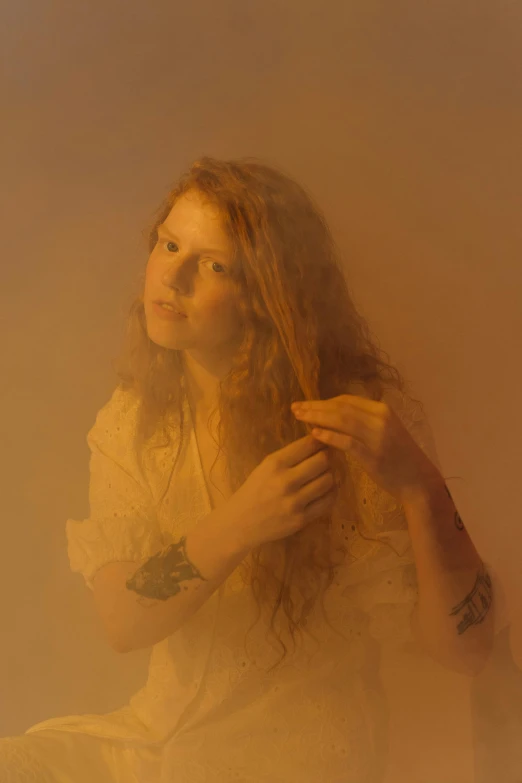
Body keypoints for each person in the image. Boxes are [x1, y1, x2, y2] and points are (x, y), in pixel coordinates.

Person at [0, 157, 495, 782]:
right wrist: (240, 523)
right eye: (168, 244)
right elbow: (122, 622)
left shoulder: (349, 422)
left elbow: (467, 651)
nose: (170, 276)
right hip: (156, 743)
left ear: (268, 295)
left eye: (212, 264)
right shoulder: (133, 422)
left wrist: (420, 487)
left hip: (295, 761)